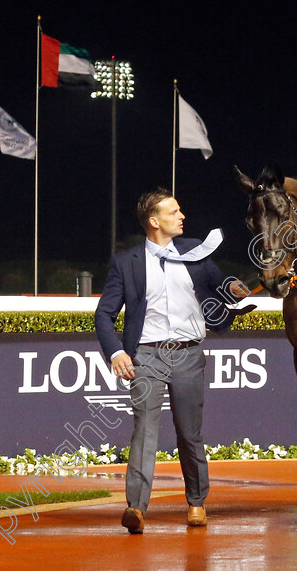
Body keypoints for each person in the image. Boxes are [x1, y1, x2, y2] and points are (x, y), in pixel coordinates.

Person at [95, 188, 252, 534]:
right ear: (154, 221)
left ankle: (196, 502)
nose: (182, 217)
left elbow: (219, 281)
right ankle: (135, 508)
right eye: (174, 212)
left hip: (189, 355)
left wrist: (234, 287)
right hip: (147, 356)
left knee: (189, 433)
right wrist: (117, 352)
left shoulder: (195, 251)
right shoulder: (126, 263)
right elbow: (104, 315)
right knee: (144, 432)